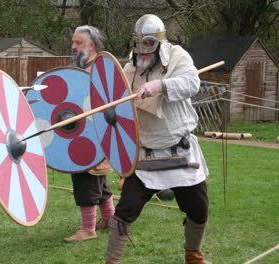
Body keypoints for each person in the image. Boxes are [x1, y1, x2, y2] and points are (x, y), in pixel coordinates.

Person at [105, 15, 210, 264]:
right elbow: (116, 108)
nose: (142, 50)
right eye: (137, 43)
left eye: (148, 44)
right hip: (145, 154)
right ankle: (111, 261)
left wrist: (160, 86)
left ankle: (193, 254)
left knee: (198, 208)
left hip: (179, 151)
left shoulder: (178, 57)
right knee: (125, 211)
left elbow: (192, 82)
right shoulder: (129, 69)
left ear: (160, 42)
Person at [65, 25, 115, 242]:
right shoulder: (81, 68)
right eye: (73, 42)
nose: (73, 47)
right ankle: (110, 219)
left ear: (92, 45)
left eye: (79, 43)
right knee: (99, 181)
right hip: (80, 132)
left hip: (93, 135)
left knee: (85, 180)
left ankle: (87, 229)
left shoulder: (99, 69)